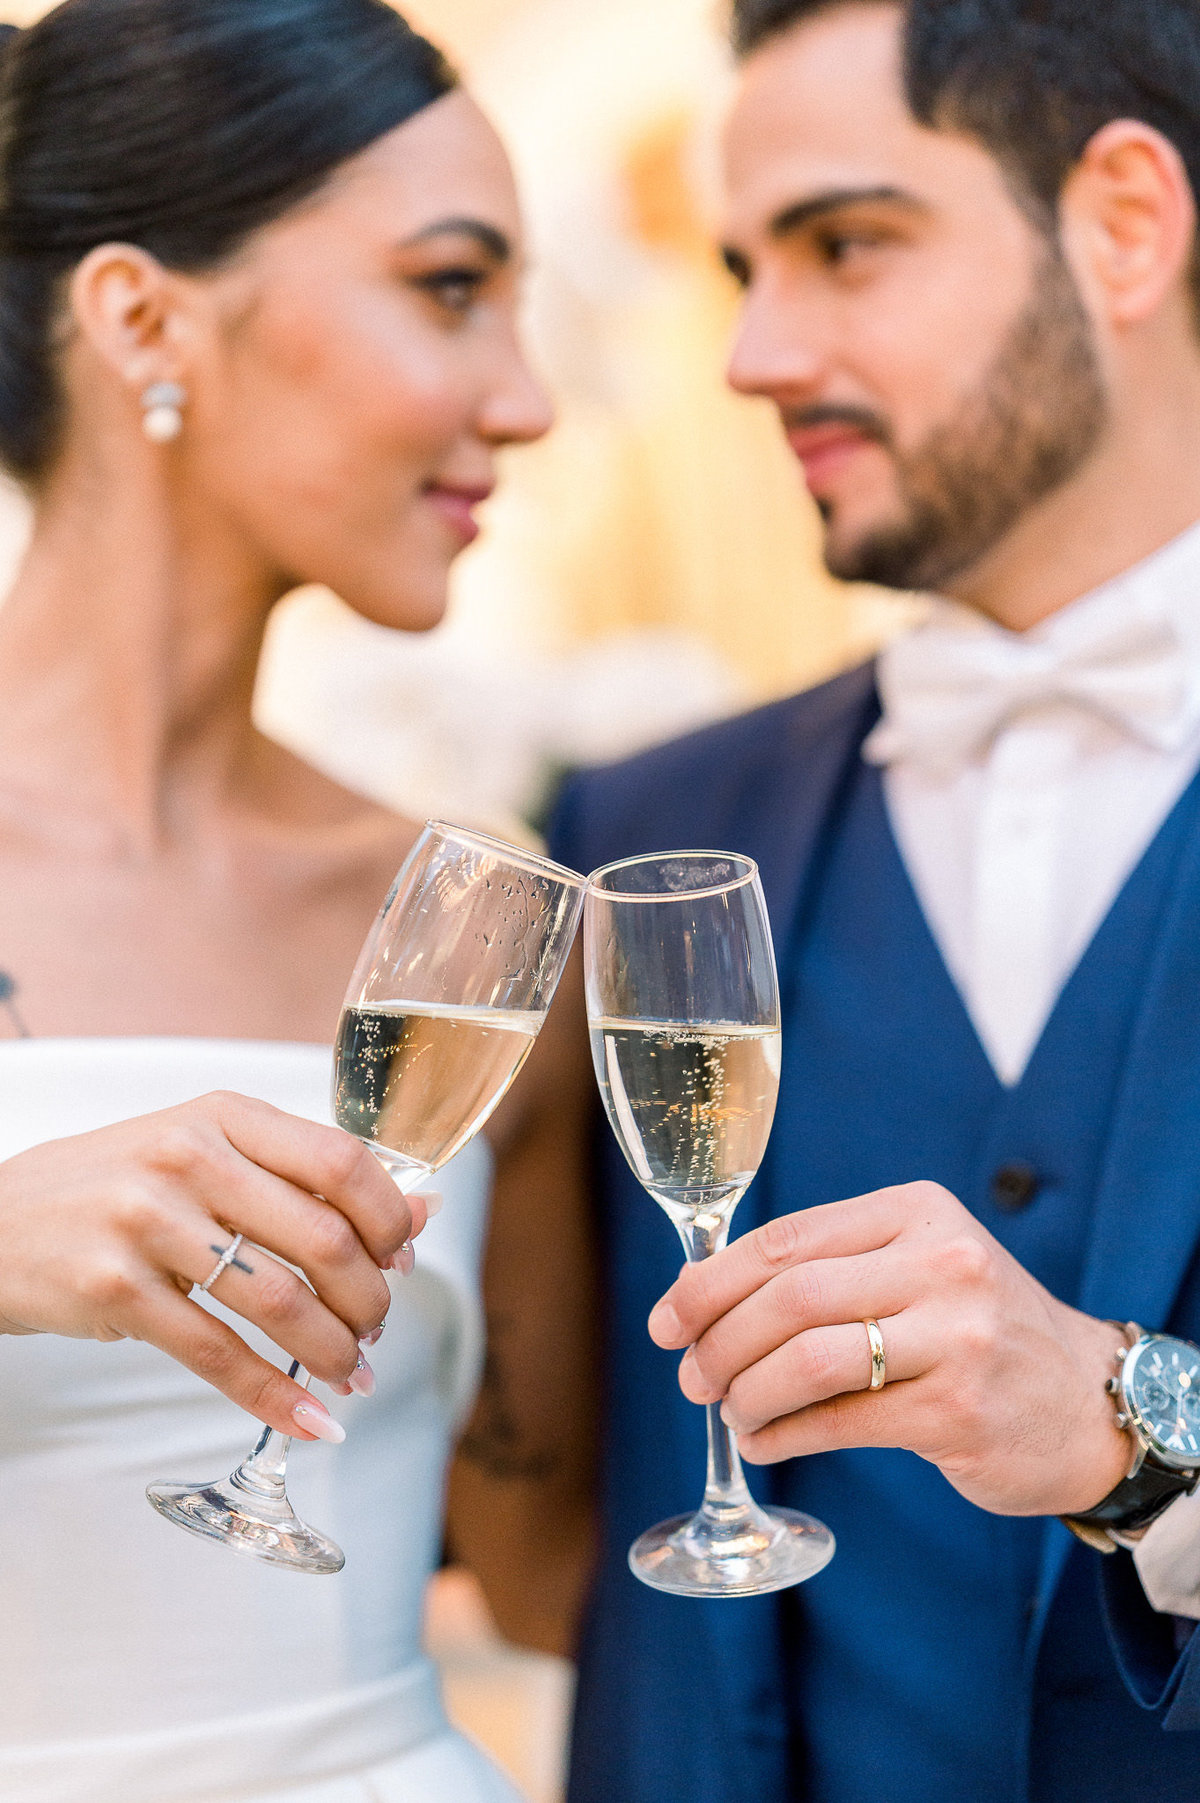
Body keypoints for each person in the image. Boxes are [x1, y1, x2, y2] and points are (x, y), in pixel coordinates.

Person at [467, 1, 1200, 1798]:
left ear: (1124, 223)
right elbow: (547, 1534)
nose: (755, 352)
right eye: (743, 269)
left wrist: (1138, 1433)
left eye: (847, 243)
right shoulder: (641, 826)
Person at [0, 2, 552, 1800]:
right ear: (143, 316)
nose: (527, 400)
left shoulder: (472, 938)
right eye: (450, 288)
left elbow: (562, 1571)